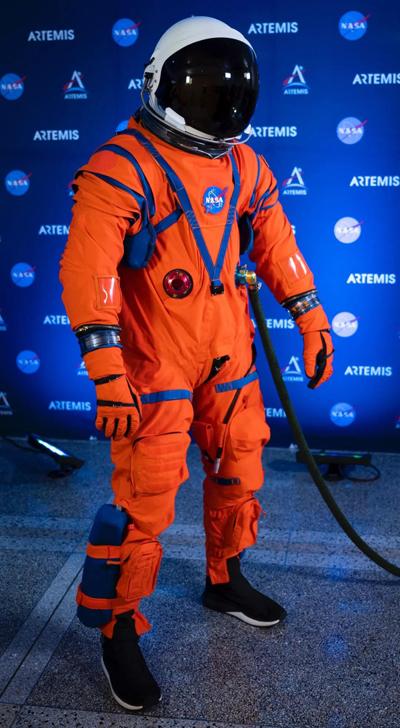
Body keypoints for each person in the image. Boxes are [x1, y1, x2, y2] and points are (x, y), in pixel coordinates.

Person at [60, 16, 334, 712]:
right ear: (160, 84)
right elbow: (89, 271)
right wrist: (107, 373)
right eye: (203, 89)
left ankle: (224, 578)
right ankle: (120, 629)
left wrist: (311, 317)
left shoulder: (245, 166)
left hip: (227, 351)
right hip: (154, 361)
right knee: (146, 498)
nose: (218, 104)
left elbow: (276, 244)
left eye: (229, 91)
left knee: (240, 467)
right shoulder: (123, 166)